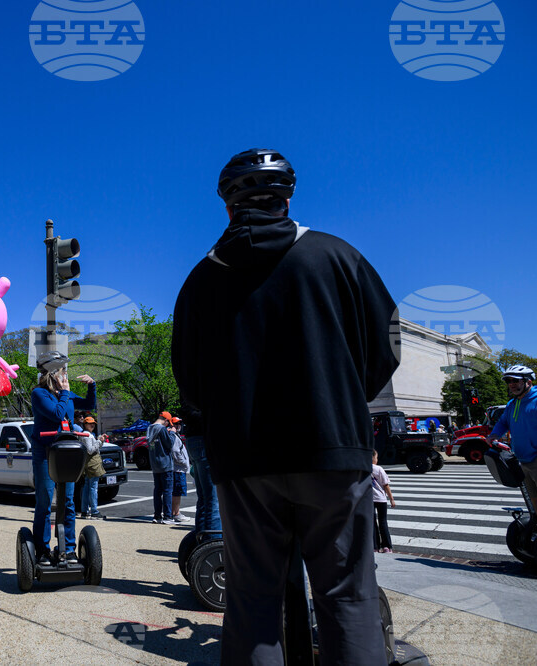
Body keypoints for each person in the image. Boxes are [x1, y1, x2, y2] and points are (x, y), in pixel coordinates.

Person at [172, 148, 400, 663]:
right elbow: (387, 345)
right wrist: (344, 396)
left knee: (253, 601)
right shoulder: (337, 255)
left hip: (244, 462)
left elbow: (190, 382)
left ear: (228, 208)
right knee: (348, 596)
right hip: (333, 450)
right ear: (288, 199)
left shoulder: (200, 279)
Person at [29, 351, 96, 563]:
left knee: (68, 501)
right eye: (62, 371)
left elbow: (89, 405)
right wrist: (65, 393)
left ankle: (68, 549)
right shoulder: (39, 394)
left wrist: (92, 385)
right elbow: (57, 414)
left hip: (66, 450)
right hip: (45, 451)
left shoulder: (65, 394)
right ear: (52, 373)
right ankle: (42, 550)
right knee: (45, 500)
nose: (66, 375)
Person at [488, 364, 537, 526]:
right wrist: (494, 435)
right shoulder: (513, 404)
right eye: (509, 381)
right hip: (524, 460)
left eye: (516, 380)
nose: (512, 384)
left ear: (528, 382)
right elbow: (503, 422)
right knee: (536, 501)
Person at [178, 405, 221, 533]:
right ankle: (212, 541)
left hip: (195, 438)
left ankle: (202, 538)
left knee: (205, 499)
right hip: (204, 437)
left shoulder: (190, 398)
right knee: (212, 500)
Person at [146, 411, 176, 525]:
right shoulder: (162, 429)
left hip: (155, 464)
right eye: (168, 423)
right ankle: (168, 516)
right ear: (166, 421)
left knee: (157, 491)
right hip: (165, 463)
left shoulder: (150, 428)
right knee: (167, 490)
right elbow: (169, 444)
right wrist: (172, 433)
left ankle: (157, 516)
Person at [79, 416, 105, 520]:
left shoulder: (85, 434)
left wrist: (100, 441)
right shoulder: (87, 436)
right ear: (85, 424)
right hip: (93, 464)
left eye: (93, 423)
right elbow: (90, 450)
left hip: (87, 464)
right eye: (90, 423)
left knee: (87, 487)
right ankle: (94, 511)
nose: (92, 425)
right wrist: (99, 441)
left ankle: (84, 511)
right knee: (93, 488)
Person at [371, 450, 395, 553]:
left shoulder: (364, 469)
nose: (377, 459)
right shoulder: (379, 469)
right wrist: (391, 499)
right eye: (376, 457)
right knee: (383, 522)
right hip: (381, 499)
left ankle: (375, 546)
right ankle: (387, 546)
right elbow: (386, 485)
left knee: (372, 523)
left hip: (369, 500)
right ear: (373, 458)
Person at [170, 418, 191, 523]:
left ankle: (174, 512)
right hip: (178, 469)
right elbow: (175, 452)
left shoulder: (176, 435)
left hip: (179, 469)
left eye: (179, 423)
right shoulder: (174, 436)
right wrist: (183, 462)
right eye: (176, 423)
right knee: (177, 492)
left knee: (176, 492)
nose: (178, 425)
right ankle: (176, 513)